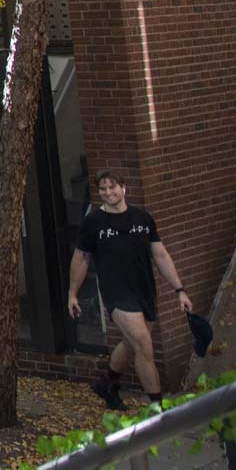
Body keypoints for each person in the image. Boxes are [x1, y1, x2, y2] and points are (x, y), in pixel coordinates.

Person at [69, 170, 193, 410]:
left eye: (112, 187)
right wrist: (72, 293)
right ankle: (159, 409)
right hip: (117, 293)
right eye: (103, 189)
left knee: (130, 344)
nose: (108, 192)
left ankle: (107, 383)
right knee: (144, 347)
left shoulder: (142, 218)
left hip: (144, 291)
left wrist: (180, 290)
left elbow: (160, 255)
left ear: (123, 188)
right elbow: (80, 258)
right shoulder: (93, 222)